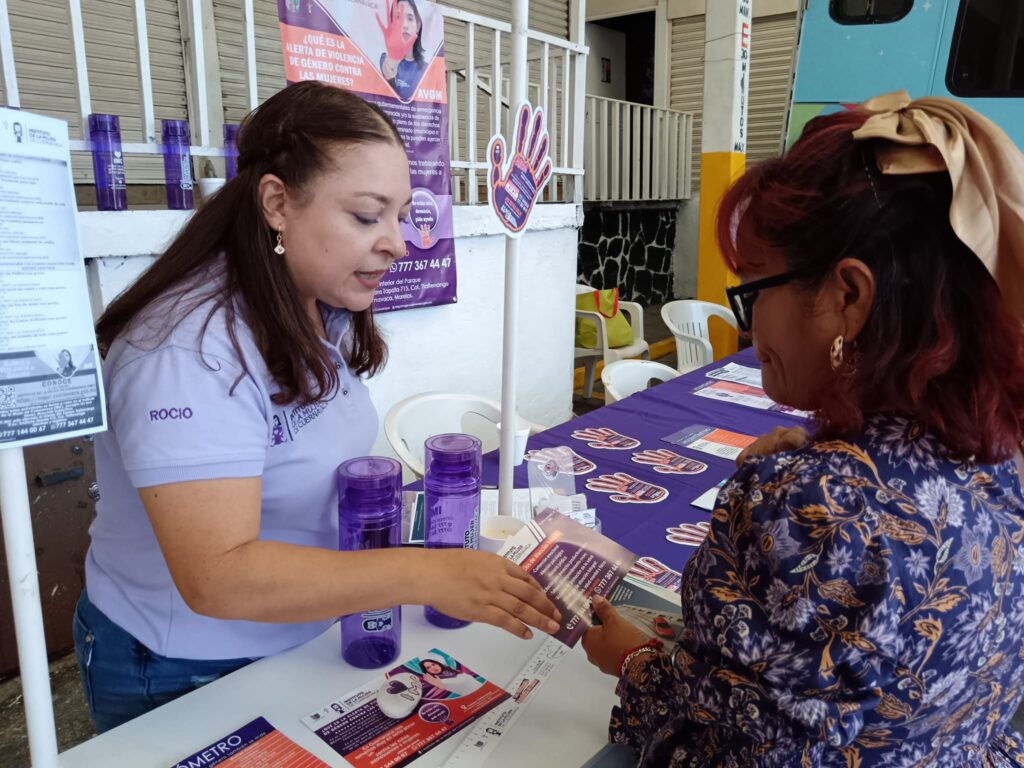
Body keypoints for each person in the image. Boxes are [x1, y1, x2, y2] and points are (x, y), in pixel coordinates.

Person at [73, 81, 559, 734]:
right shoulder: (184, 352)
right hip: (185, 663)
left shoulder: (314, 304)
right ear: (277, 202)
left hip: (301, 636)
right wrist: (421, 572)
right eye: (367, 216)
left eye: (401, 215)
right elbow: (218, 576)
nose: (397, 242)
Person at [582, 91, 1024, 766]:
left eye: (754, 288)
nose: (750, 324)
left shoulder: (810, 507)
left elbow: (756, 741)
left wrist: (638, 663)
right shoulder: (1002, 457)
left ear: (848, 297)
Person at [377, 0, 426, 102]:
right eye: (398, 17)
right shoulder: (383, 60)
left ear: (418, 26)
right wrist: (393, 61)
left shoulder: (427, 69)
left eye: (410, 18)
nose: (404, 25)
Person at [419, 656, 484, 698]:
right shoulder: (438, 681)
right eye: (428, 667)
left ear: (437, 663)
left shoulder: (453, 671)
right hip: (477, 698)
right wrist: (438, 684)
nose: (433, 667)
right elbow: (443, 686)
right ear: (426, 671)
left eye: (433, 664)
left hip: (484, 690)